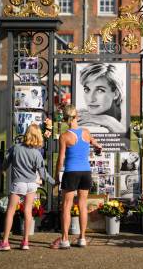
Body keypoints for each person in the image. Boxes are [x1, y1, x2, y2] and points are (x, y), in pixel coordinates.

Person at [0, 123, 55, 251]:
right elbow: (43, 174)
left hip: (18, 184)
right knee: (28, 211)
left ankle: (5, 242)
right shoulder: (37, 154)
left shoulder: (16, 148)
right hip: (32, 184)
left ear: (27, 133)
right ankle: (25, 241)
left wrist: (2, 169)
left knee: (10, 211)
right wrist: (54, 181)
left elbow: (5, 163)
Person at [51, 104, 102, 250]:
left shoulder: (64, 136)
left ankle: (65, 239)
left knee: (66, 206)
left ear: (66, 119)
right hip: (85, 172)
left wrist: (56, 177)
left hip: (71, 172)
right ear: (77, 116)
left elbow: (60, 160)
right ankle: (82, 238)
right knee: (82, 205)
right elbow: (93, 142)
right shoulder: (86, 132)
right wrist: (98, 146)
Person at [77, 63, 126, 133]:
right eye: (87, 89)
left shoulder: (125, 103)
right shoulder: (88, 114)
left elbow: (126, 133)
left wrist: (106, 120)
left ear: (115, 94)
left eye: (100, 90)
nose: (91, 99)